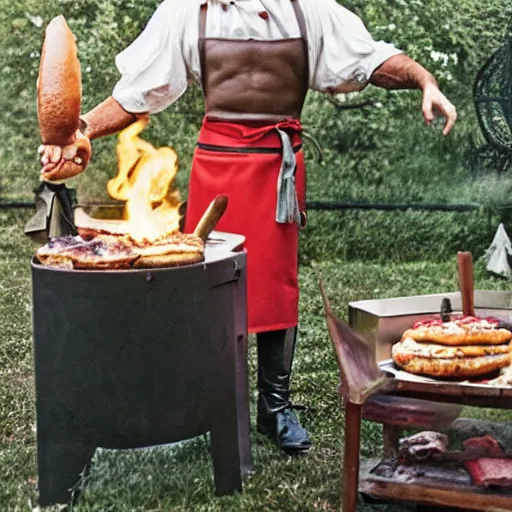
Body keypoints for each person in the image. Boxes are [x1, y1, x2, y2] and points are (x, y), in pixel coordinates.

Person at [39, 0, 457, 453]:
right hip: (216, 168)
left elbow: (372, 60)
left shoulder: (308, 10)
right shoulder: (186, 11)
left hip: (278, 170)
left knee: (275, 286)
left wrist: (425, 80)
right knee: (207, 286)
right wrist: (82, 129)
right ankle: (209, 402)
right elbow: (137, 93)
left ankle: (275, 409)